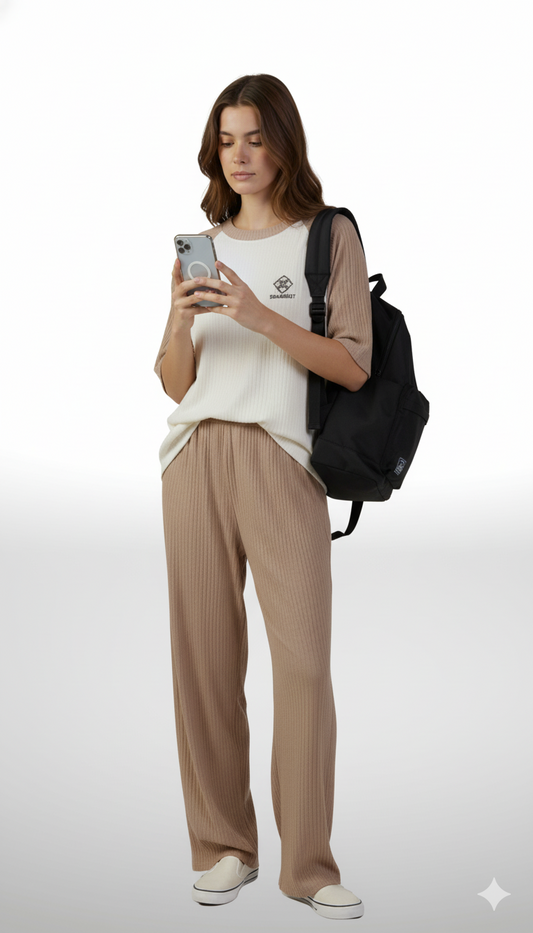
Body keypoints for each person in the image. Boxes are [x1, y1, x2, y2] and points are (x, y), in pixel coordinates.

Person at [153, 74, 372, 921]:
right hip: (195, 457)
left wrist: (258, 314)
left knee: (304, 668)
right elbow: (176, 383)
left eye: (254, 137)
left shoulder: (329, 236)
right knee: (203, 664)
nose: (238, 155)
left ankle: (307, 864)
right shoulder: (197, 246)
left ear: (284, 141)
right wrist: (180, 318)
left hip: (286, 464)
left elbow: (352, 362)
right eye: (226, 139)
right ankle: (222, 846)